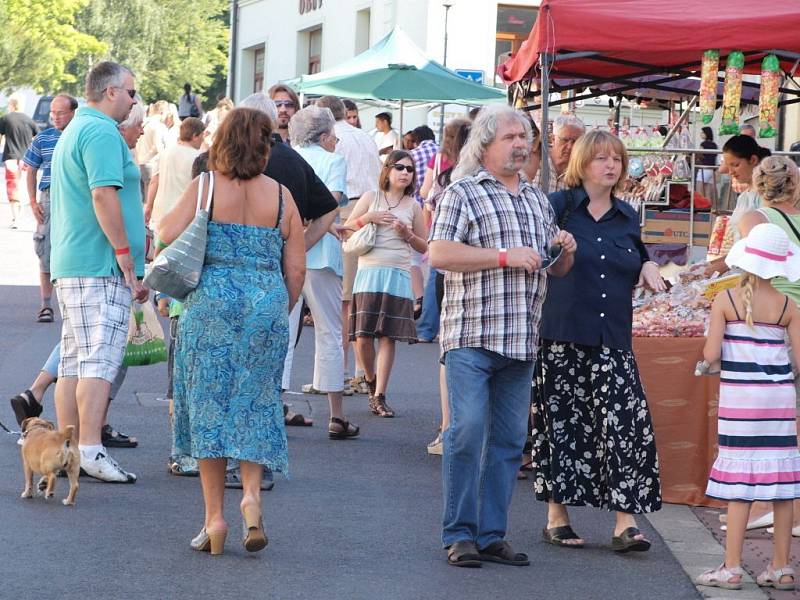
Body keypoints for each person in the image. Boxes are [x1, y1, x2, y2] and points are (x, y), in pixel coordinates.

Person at [429, 105, 576, 567]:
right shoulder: (463, 192)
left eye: (525, 136)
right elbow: (438, 253)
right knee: (468, 431)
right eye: (510, 136)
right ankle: (459, 534)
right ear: (485, 145)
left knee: (510, 442)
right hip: (472, 333)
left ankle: (492, 534)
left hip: (521, 338)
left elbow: (553, 268)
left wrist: (563, 251)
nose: (521, 144)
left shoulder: (536, 198)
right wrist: (502, 257)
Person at [159, 107, 305, 556]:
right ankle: (251, 498)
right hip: (264, 303)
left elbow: (165, 232)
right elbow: (295, 268)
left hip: (211, 305)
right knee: (256, 401)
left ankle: (214, 519)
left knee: (208, 407)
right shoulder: (281, 196)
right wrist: (279, 306)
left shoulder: (205, 186)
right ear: (264, 146)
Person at [533, 130, 664, 551]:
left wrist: (647, 266)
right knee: (564, 425)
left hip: (613, 336)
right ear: (583, 163)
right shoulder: (558, 207)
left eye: (617, 159)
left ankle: (625, 523)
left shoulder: (627, 214)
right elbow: (537, 256)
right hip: (563, 333)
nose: (611, 166)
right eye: (602, 158)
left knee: (626, 424)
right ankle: (557, 515)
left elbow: (635, 253)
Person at [192, 92, 339, 432]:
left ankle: (212, 447)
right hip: (270, 283)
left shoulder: (215, 170)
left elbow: (173, 229)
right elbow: (328, 209)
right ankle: (256, 448)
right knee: (262, 368)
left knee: (218, 374)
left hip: (214, 289)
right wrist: (299, 248)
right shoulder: (287, 167)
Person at [49, 61, 146, 483]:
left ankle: (71, 448)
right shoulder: (102, 131)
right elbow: (103, 195)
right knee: (98, 363)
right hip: (98, 263)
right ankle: (89, 447)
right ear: (110, 92)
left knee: (74, 362)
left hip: (76, 261)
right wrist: (125, 253)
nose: (133, 100)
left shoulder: (77, 128)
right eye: (130, 92)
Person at [696, 222, 800, 591]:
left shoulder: (724, 301)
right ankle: (782, 567)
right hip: (779, 404)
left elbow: (710, 355)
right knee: (782, 486)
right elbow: (799, 362)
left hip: (740, 403)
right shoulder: (790, 305)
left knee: (740, 485)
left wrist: (709, 364)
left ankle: (732, 566)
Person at [287, 105, 360, 439]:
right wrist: (330, 228)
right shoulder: (333, 161)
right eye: (334, 134)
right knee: (330, 331)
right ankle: (336, 413)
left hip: (287, 249)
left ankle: (278, 401)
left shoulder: (289, 157)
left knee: (284, 331)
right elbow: (327, 205)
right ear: (326, 135)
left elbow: (301, 206)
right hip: (320, 257)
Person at [343, 150, 428, 417]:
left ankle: (380, 394)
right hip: (369, 271)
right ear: (387, 170)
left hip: (398, 274)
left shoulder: (413, 206)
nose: (405, 173)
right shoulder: (371, 197)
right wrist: (369, 218)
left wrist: (408, 233)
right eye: (400, 167)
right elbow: (346, 228)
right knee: (363, 336)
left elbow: (425, 246)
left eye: (410, 169)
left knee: (388, 337)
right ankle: (370, 380)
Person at [315, 95, 381, 395]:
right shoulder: (366, 138)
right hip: (370, 210)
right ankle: (357, 371)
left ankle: (340, 374)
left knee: (343, 298)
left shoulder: (333, 139)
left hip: (343, 210)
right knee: (356, 294)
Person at [420, 119, 471, 455]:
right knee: (455, 352)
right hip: (456, 269)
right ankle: (451, 429)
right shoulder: (460, 180)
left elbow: (426, 203)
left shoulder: (444, 177)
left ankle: (447, 428)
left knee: (449, 351)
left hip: (446, 270)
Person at [23, 93, 78, 323]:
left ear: (73, 112)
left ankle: (73, 306)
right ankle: (46, 305)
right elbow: (30, 169)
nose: (54, 117)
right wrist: (33, 201)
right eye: (52, 113)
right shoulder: (43, 138)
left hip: (75, 199)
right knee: (45, 250)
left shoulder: (80, 136)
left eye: (60, 112)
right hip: (49, 197)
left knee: (74, 251)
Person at [144, 117, 205, 229]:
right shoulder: (198, 157)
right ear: (195, 135)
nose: (203, 140)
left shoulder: (165, 153)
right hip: (183, 215)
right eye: (202, 136)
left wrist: (149, 206)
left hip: (160, 213)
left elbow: (154, 181)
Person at [0, 95, 38, 228]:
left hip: (11, 157)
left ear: (11, 104)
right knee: (22, 186)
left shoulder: (5, 119)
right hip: (26, 159)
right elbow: (37, 139)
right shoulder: (29, 120)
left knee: (12, 186)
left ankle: (16, 218)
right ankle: (20, 217)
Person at [533, 114, 585, 194]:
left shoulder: (580, 172)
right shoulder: (536, 162)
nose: (570, 146)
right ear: (553, 139)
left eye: (575, 142)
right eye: (565, 140)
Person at [135, 100, 169, 200]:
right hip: (152, 163)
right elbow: (158, 146)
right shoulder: (158, 125)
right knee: (150, 200)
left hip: (140, 162)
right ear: (163, 112)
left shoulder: (145, 122)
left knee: (142, 199)